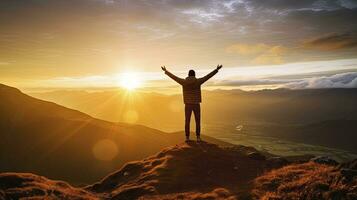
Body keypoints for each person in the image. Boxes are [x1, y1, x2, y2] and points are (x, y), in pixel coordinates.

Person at [161, 65, 222, 142]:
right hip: (196, 104)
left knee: (187, 121)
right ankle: (198, 137)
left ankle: (187, 137)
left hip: (187, 104)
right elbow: (208, 76)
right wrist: (216, 70)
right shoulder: (198, 81)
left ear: (188, 75)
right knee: (198, 121)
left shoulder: (183, 82)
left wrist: (166, 71)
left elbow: (174, 78)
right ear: (194, 75)